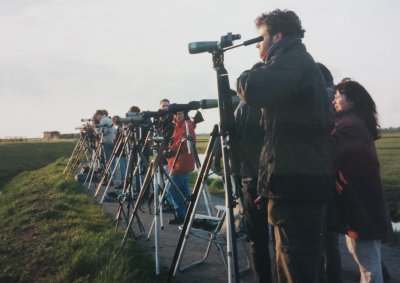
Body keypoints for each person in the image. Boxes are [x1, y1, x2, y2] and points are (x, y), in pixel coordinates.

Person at [236, 9, 333, 282]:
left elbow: (253, 87)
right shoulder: (297, 63)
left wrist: (242, 76)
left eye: (261, 37)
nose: (257, 44)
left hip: (295, 189)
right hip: (295, 185)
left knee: (295, 266)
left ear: (277, 36)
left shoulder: (293, 62)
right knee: (294, 262)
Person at [331, 78, 393, 283]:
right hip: (365, 204)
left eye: (338, 96)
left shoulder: (348, 125)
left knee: (368, 266)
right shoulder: (357, 122)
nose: (334, 101)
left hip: (360, 206)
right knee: (368, 262)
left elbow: (328, 149)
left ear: (353, 101)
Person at [235, 101, 272, 283]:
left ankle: (263, 279)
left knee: (257, 239)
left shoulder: (244, 106)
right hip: (279, 175)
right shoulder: (283, 96)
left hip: (252, 177)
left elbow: (236, 139)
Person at [166, 111, 196, 225]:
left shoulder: (186, 125)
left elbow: (184, 142)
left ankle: (181, 216)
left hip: (181, 162)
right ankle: (187, 214)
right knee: (183, 189)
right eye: (176, 114)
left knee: (173, 189)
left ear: (185, 114)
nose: (178, 116)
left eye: (180, 113)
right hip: (179, 161)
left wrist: (170, 149)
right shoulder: (179, 125)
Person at [94, 109, 116, 184]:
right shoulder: (109, 119)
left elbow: (103, 132)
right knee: (112, 160)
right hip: (112, 141)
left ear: (99, 114)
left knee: (108, 161)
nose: (96, 118)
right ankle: (112, 177)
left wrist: (96, 129)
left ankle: (110, 179)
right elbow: (113, 130)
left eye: (96, 116)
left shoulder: (103, 121)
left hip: (106, 142)